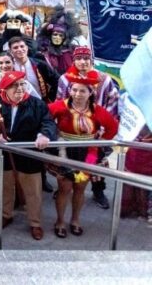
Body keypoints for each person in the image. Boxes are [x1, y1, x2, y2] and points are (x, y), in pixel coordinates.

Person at [0, 71, 58, 240]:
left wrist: (44, 135)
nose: (20, 89)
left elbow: (48, 122)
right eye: (15, 86)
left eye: (23, 84)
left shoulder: (36, 104)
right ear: (4, 89)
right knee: (5, 187)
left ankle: (35, 223)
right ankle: (6, 214)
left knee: (33, 191)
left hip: (29, 155)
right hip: (3, 155)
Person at [47, 71, 118, 238]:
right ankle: (60, 221)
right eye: (74, 90)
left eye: (82, 91)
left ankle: (75, 220)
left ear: (90, 93)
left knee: (80, 188)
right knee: (64, 188)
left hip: (88, 151)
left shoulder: (98, 111)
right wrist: (52, 136)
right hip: (65, 150)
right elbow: (46, 119)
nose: (77, 94)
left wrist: (99, 141)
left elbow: (112, 127)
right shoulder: (59, 106)